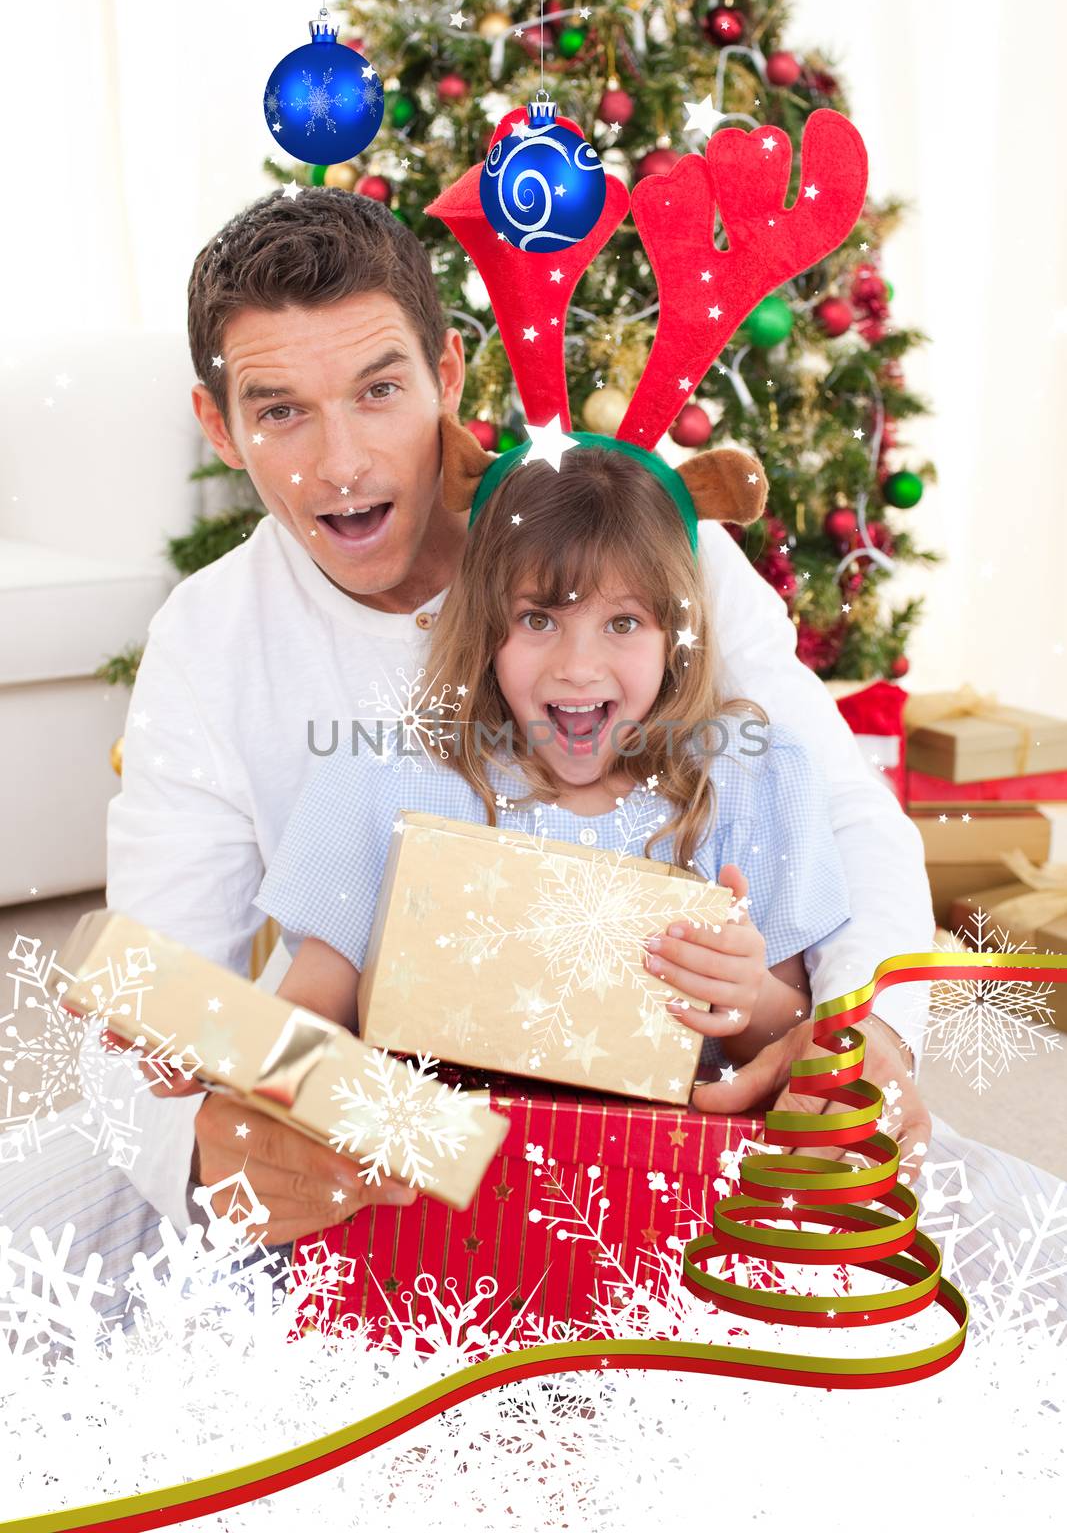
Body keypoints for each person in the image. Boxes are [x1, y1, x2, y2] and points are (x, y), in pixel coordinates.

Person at [8, 189, 1057, 1319]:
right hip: (393, 1161)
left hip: (682, 1147)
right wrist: (211, 1139)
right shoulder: (240, 664)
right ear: (220, 428)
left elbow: (848, 830)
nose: (343, 460)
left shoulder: (654, 545)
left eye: (379, 391)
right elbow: (179, 981)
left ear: (447, 375)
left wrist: (854, 1047)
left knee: (1019, 1267)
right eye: (280, 412)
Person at [253, 434, 852, 1182]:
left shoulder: (742, 778)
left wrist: (746, 994)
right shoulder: (389, 776)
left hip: (657, 1185)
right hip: (427, 1187)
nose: (577, 665)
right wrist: (258, 1089)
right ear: (485, 625)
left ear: (678, 635)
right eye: (538, 618)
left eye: (623, 623)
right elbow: (305, 1016)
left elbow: (789, 1041)